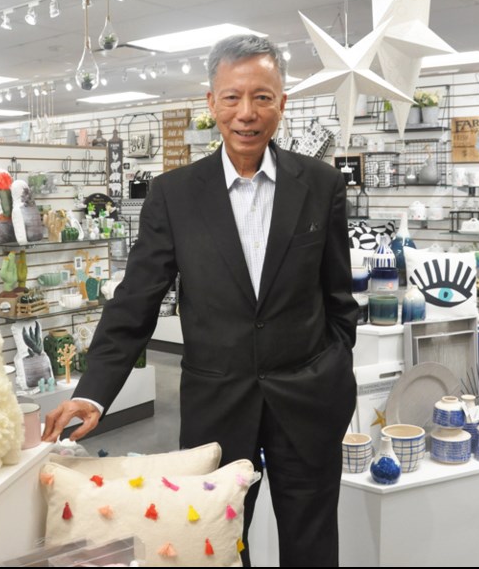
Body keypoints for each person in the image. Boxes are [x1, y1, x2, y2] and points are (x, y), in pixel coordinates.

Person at [42, 34, 358, 567]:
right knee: (215, 546)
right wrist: (94, 393)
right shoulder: (175, 194)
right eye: (232, 97)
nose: (247, 113)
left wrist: (331, 365)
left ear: (283, 102)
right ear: (211, 103)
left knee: (311, 543)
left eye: (262, 97)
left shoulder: (321, 185)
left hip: (308, 402)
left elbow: (338, 297)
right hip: (219, 402)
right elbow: (136, 301)